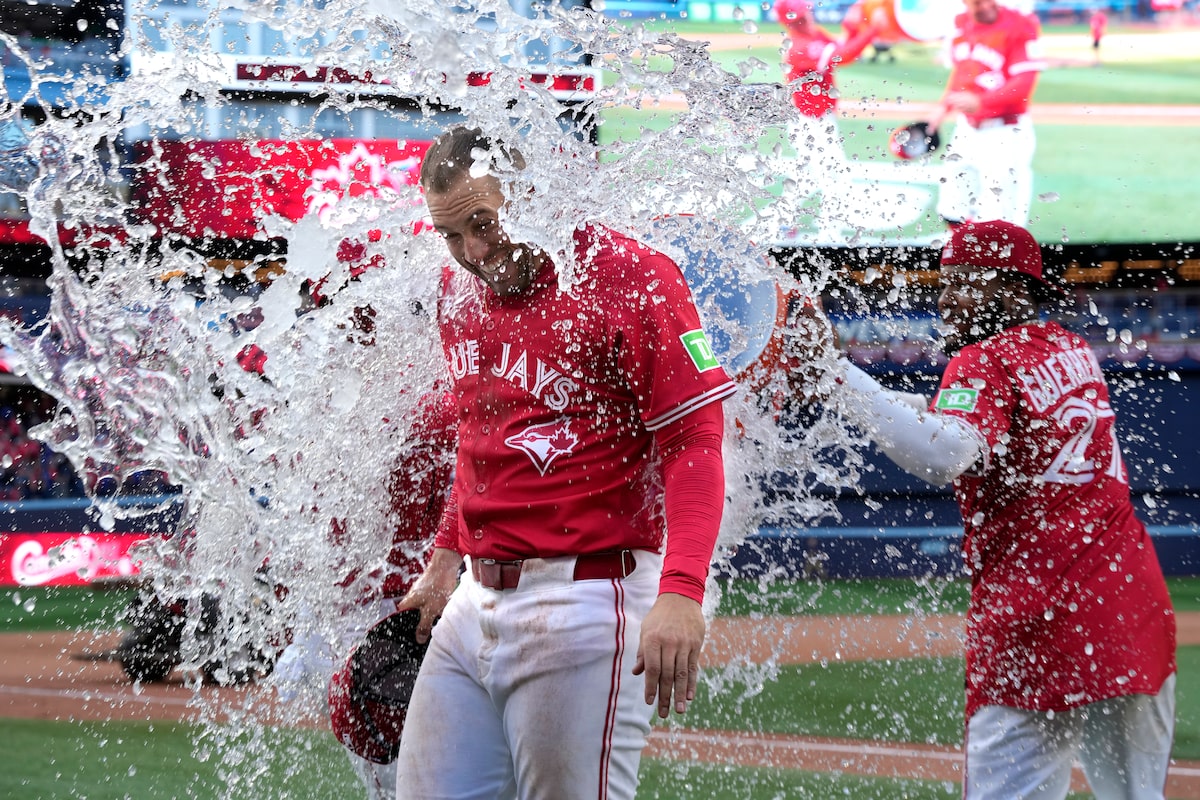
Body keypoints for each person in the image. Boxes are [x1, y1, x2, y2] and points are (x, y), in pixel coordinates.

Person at [393, 126, 736, 799]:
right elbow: (481, 430)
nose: (474, 252)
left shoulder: (627, 276)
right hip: (475, 598)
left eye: (483, 225)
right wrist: (443, 560)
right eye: (452, 237)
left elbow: (694, 439)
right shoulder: (458, 292)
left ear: (528, 193)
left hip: (588, 600)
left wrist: (683, 590)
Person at [805, 220, 1177, 798]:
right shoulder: (1070, 345)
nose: (946, 297)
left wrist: (835, 373)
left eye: (964, 281)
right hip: (1131, 598)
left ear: (1009, 287)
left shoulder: (982, 361)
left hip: (1039, 612)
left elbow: (945, 453)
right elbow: (963, 427)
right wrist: (861, 391)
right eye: (947, 280)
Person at [927, 0, 1045, 227]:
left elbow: (1024, 84)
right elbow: (963, 74)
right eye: (977, 3)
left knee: (1001, 220)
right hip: (967, 130)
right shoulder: (961, 24)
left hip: (1006, 133)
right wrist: (941, 111)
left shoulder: (1021, 24)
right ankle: (962, 259)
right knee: (953, 207)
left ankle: (997, 262)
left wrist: (981, 100)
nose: (985, 6)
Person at [773, 0, 884, 235]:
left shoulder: (814, 35)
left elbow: (840, 48)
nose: (807, 17)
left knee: (806, 175)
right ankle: (829, 228)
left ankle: (785, 220)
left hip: (813, 119)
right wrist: (873, 30)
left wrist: (854, 29)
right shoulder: (799, 45)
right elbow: (841, 56)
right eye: (802, 15)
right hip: (811, 122)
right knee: (834, 175)